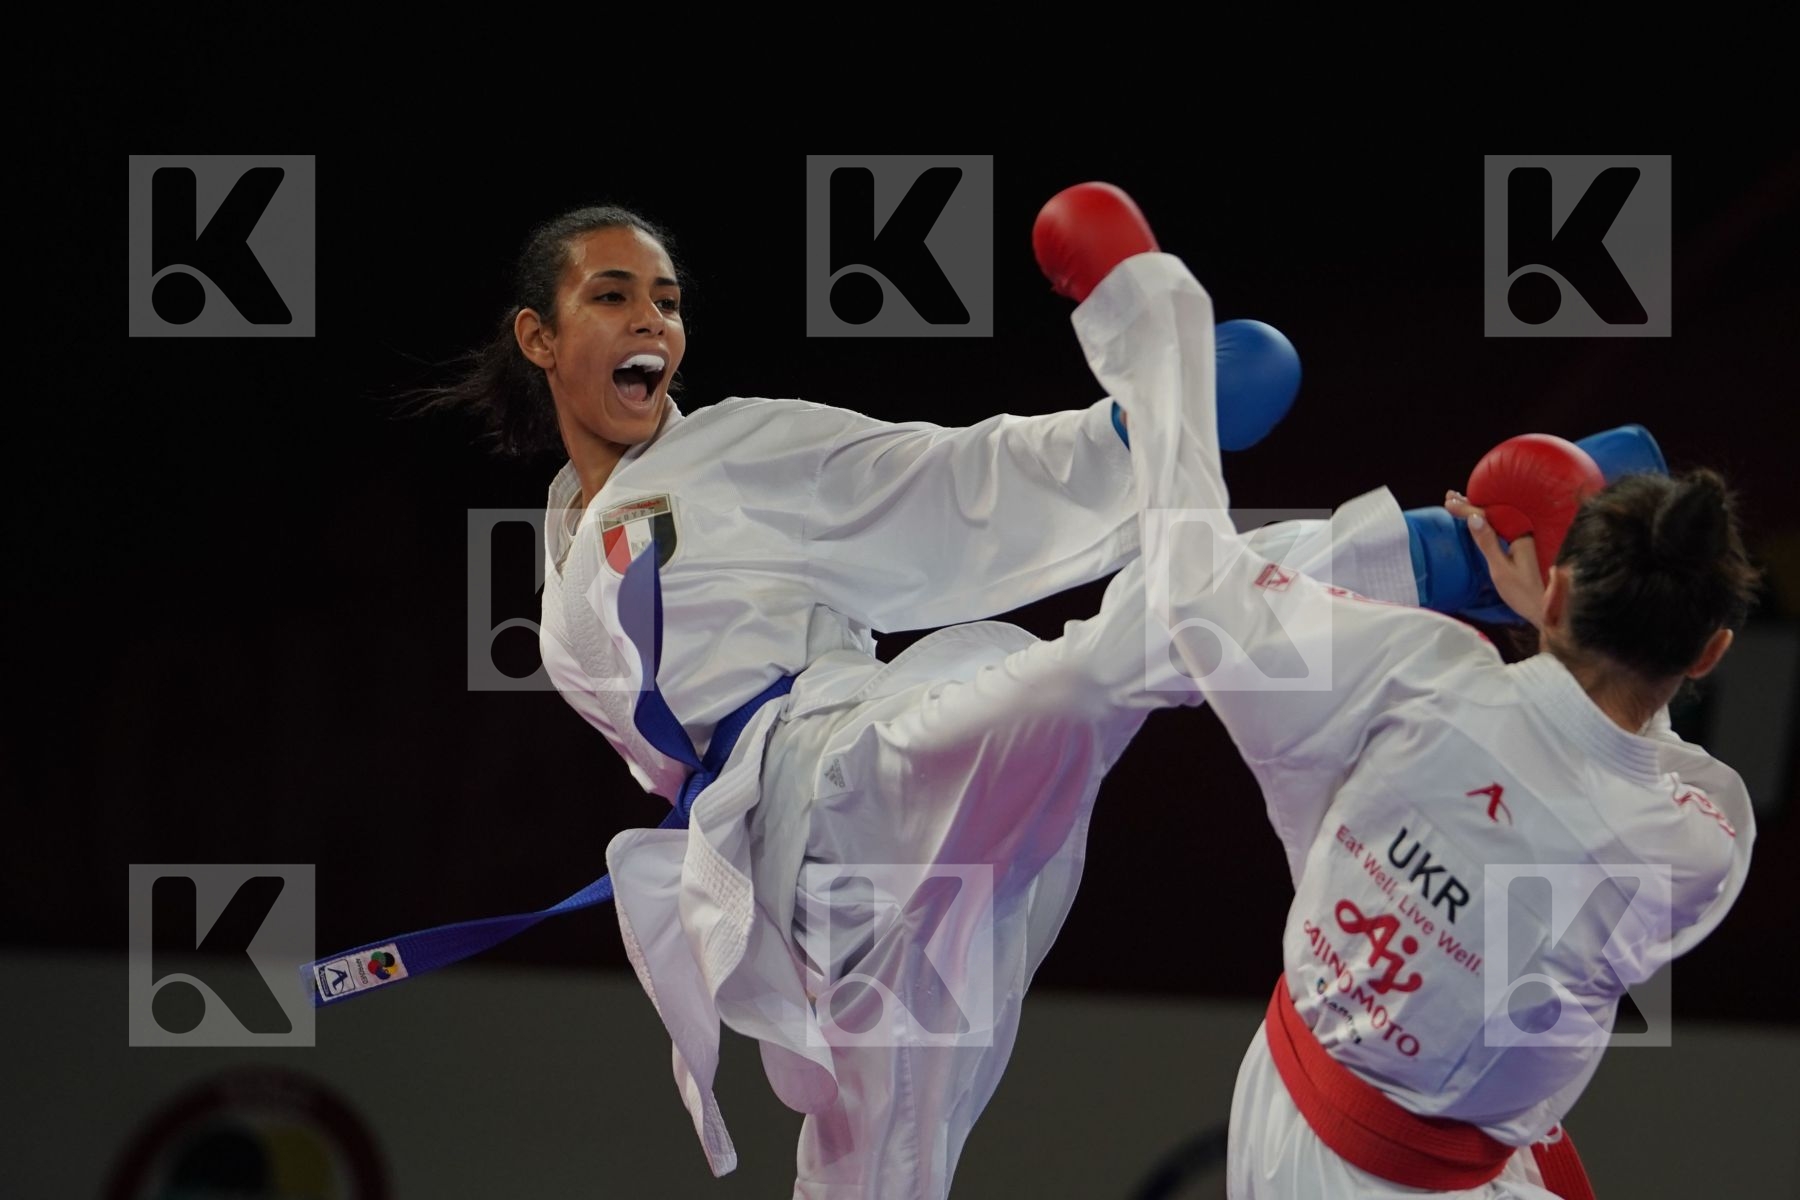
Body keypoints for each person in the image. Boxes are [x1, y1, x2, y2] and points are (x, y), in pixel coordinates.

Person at [401, 202, 1439, 1198]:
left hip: (859, 756)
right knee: (871, 1167)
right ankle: (1372, 556)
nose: (650, 321)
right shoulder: (562, 559)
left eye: (666, 302)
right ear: (537, 335)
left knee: (1075, 679)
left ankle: (1399, 550)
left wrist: (1119, 438)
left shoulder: (739, 449)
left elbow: (942, 479)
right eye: (614, 296)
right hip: (802, 877)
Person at [1035, 184, 1759, 1198]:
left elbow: (1200, 585)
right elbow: (1625, 743)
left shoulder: (1418, 678)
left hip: (1310, 1124)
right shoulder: (1705, 839)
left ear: (1549, 595)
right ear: (1712, 652)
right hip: (1460, 1155)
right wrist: (1554, 621)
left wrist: (1148, 312)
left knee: (1239, 641)